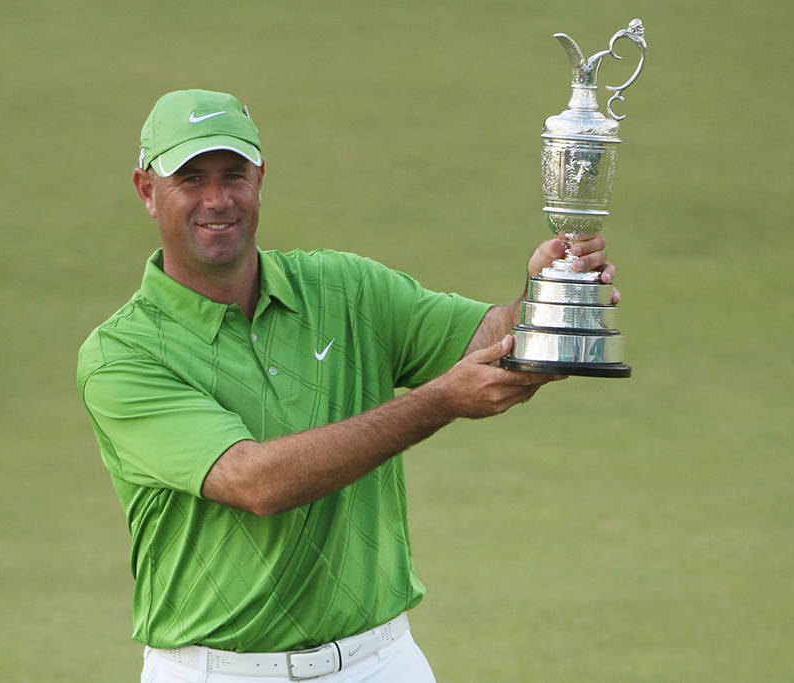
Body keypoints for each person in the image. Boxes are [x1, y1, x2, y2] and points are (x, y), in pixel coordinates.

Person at [77, 89, 619, 682]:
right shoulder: (121, 355)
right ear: (146, 191)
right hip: (219, 671)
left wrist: (551, 297)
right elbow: (255, 481)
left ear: (259, 178)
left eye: (233, 174)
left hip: (379, 661)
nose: (217, 199)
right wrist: (435, 403)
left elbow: (487, 340)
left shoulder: (344, 288)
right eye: (190, 178)